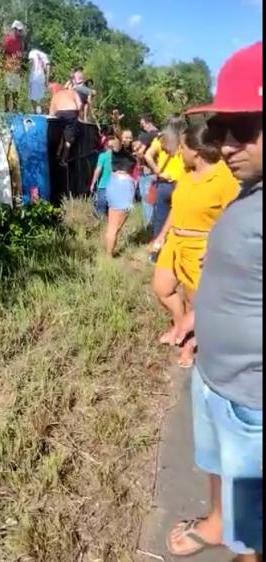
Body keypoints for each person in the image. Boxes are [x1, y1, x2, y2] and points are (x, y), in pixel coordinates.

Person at [164, 41, 262, 562]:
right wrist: (201, 315)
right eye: (223, 128)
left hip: (252, 397)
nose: (226, 144)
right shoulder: (249, 185)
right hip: (215, 375)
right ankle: (217, 521)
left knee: (255, 529)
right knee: (216, 467)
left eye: (243, 129)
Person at [150, 122, 239, 367]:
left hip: (200, 247)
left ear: (197, 152)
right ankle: (180, 327)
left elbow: (234, 219)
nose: (179, 152)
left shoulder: (225, 179)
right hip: (175, 242)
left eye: (182, 148)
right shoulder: (187, 174)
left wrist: (217, 246)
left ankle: (189, 345)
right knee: (161, 288)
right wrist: (161, 236)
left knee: (197, 303)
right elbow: (177, 207)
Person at [145, 118, 187, 247]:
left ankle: (157, 250)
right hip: (181, 184)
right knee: (180, 219)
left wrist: (157, 171)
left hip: (163, 183)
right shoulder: (185, 139)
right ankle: (174, 247)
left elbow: (147, 155)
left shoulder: (160, 139)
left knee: (160, 219)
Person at [101, 138, 136, 255]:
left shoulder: (130, 153)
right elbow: (117, 137)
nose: (128, 139)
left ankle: (108, 253)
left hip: (119, 185)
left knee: (114, 226)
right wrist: (116, 122)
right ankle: (108, 256)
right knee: (114, 227)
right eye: (125, 137)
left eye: (130, 137)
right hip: (121, 187)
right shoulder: (118, 149)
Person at [49, 84, 83, 165]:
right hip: (72, 112)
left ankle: (57, 153)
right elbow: (80, 104)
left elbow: (51, 112)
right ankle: (63, 159)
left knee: (61, 131)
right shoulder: (73, 92)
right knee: (69, 138)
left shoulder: (56, 95)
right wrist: (79, 115)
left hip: (59, 112)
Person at [0, 20, 25, 112]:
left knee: (16, 90)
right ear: (14, 29)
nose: (20, 32)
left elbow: (21, 56)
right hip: (8, 67)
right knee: (7, 89)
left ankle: (15, 108)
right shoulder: (8, 40)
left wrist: (20, 67)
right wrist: (2, 66)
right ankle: (6, 108)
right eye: (19, 30)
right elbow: (2, 53)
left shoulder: (20, 42)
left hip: (17, 69)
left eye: (21, 30)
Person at [89, 135, 116, 217]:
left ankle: (101, 224)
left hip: (104, 185)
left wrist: (93, 183)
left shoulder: (103, 156)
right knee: (113, 208)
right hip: (116, 186)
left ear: (106, 145)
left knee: (101, 208)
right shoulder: (118, 157)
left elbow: (98, 170)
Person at [27, 47, 50, 114]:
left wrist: (28, 68)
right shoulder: (44, 55)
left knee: (32, 96)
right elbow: (48, 67)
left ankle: (35, 111)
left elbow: (31, 62)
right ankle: (41, 110)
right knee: (41, 95)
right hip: (41, 77)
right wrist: (47, 79)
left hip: (34, 76)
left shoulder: (31, 53)